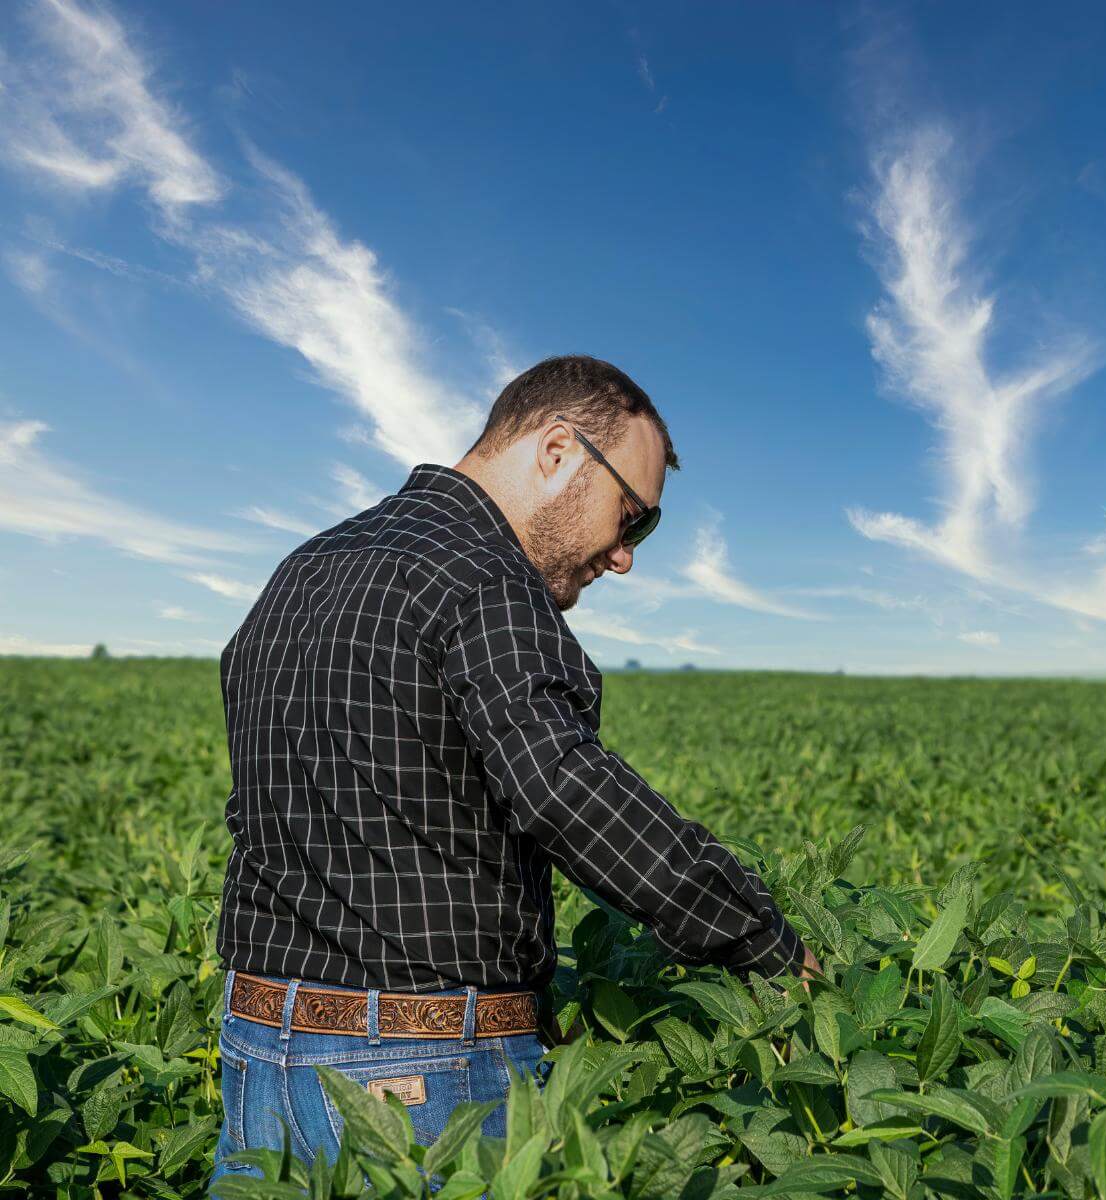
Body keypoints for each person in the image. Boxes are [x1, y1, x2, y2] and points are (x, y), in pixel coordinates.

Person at [210, 355, 820, 1183]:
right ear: (558, 450)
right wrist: (763, 939)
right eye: (632, 516)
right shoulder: (486, 578)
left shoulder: (302, 570)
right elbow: (563, 786)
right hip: (417, 1076)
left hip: (256, 1052)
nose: (626, 555)